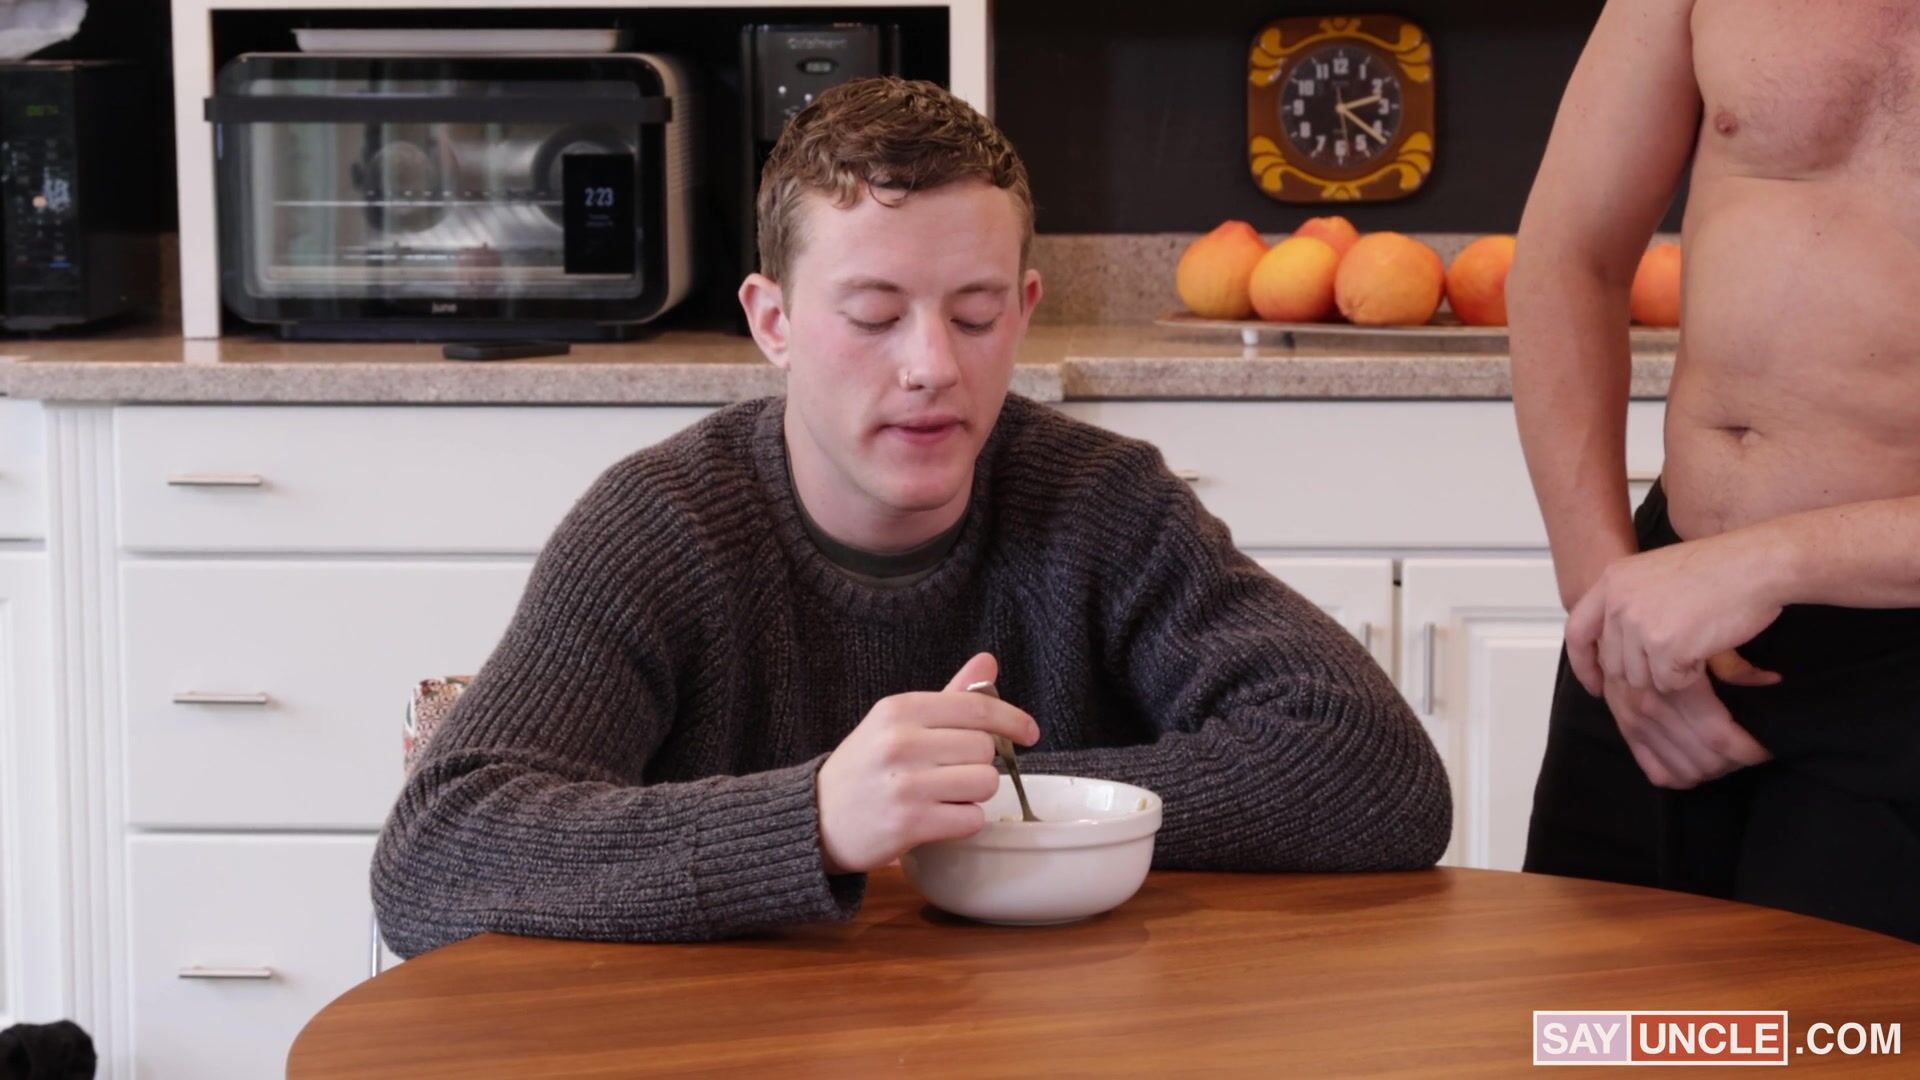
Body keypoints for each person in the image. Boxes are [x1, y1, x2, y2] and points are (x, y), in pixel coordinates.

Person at [373, 77, 1451, 956]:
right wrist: (816, 819)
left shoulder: (1103, 504)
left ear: (1023, 312)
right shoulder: (661, 526)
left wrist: (978, 805)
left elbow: (1376, 773)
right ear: (773, 321)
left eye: (974, 315)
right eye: (874, 315)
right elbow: (437, 857)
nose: (932, 365)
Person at [1510, 0, 1920, 941]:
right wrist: (1606, 604)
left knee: (1840, 1021)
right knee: (1592, 1012)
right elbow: (1570, 256)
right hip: (1659, 620)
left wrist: (1768, 562)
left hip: (1896, 667)